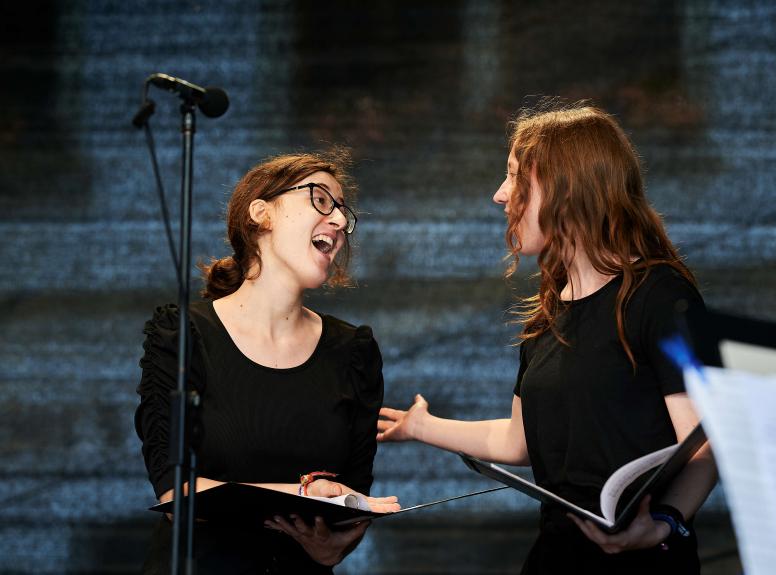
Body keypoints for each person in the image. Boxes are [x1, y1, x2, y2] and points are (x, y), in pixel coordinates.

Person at [377, 103, 717, 573]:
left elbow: (703, 443)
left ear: (568, 187)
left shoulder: (661, 296)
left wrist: (663, 523)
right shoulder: (550, 311)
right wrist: (421, 427)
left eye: (515, 177)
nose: (500, 195)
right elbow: (518, 441)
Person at [135, 150, 399, 574]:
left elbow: (352, 498)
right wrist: (301, 494)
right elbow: (174, 494)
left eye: (343, 215)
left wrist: (335, 543)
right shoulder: (183, 335)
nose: (337, 222)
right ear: (261, 213)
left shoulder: (354, 351)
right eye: (321, 200)